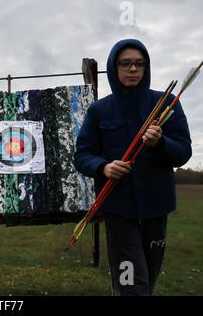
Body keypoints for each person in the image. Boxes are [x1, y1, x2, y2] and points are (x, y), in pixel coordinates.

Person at [74, 39, 192, 295]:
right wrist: (103, 167)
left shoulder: (167, 103)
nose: (133, 69)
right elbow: (83, 155)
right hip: (118, 210)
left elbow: (183, 152)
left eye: (139, 64)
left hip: (156, 208)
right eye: (125, 63)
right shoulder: (99, 110)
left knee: (147, 279)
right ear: (114, 67)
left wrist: (161, 143)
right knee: (132, 284)